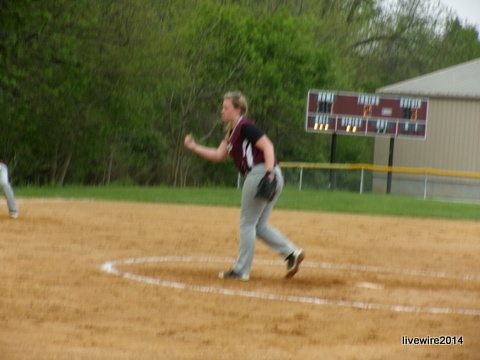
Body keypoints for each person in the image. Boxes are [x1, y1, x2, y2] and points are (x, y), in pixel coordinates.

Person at [184, 91, 304, 280]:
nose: (222, 111)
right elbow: (218, 155)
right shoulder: (232, 132)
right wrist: (194, 147)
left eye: (226, 107)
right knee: (259, 225)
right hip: (270, 173)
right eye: (222, 107)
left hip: (262, 173)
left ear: (238, 109)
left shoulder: (245, 126)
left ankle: (241, 270)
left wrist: (269, 172)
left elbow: (268, 146)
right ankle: (292, 253)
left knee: (247, 223)